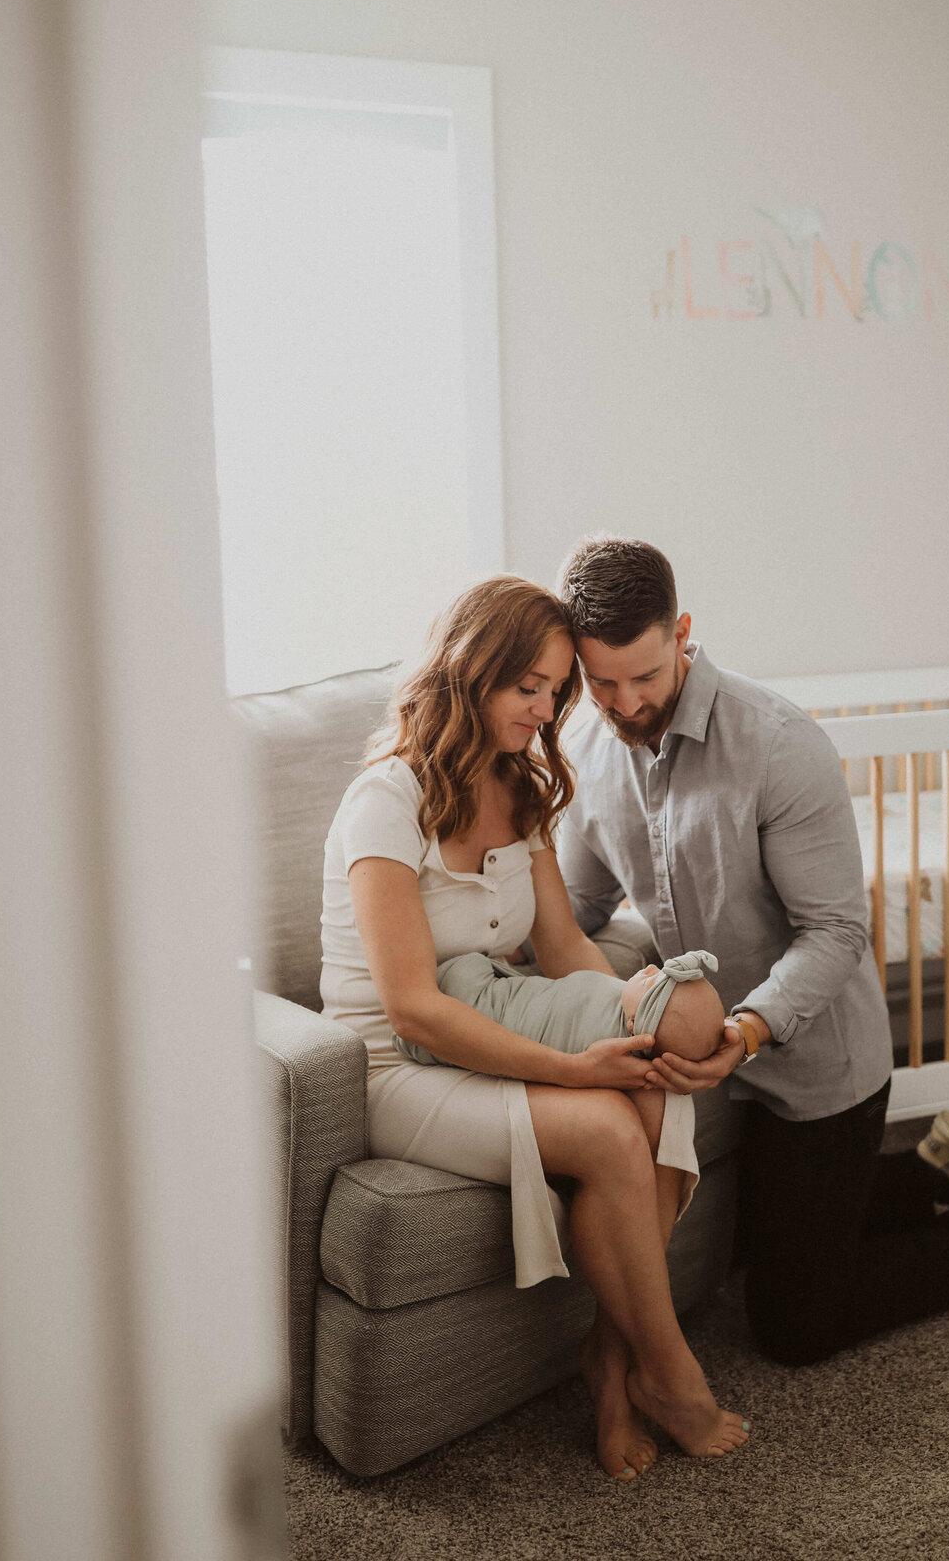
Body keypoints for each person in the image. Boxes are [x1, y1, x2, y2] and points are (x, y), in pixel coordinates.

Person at [554, 535, 949, 1369]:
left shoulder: (778, 745)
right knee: (732, 1247)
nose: (626, 701)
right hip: (706, 1067)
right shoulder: (586, 748)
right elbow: (579, 906)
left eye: (644, 675)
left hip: (813, 1067)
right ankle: (929, 1167)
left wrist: (745, 1032)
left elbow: (837, 933)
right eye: (601, 680)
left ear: (682, 633)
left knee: (794, 1324)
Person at [318, 574, 750, 1476]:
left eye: (556, 691)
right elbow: (409, 1005)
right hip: (398, 1067)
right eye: (529, 687)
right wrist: (577, 1073)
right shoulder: (384, 801)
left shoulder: (520, 787)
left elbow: (562, 947)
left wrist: (624, 1030)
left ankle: (610, 1360)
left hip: (484, 1027)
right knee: (602, 1123)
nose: (547, 709)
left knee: (650, 1092)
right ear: (470, 672)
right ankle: (668, 1370)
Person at [393, 949, 725, 1071]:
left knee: (470, 969)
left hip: (474, 1014)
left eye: (653, 984)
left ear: (636, 1027)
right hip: (423, 1009)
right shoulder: (633, 1023)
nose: (651, 969)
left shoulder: (609, 1044)